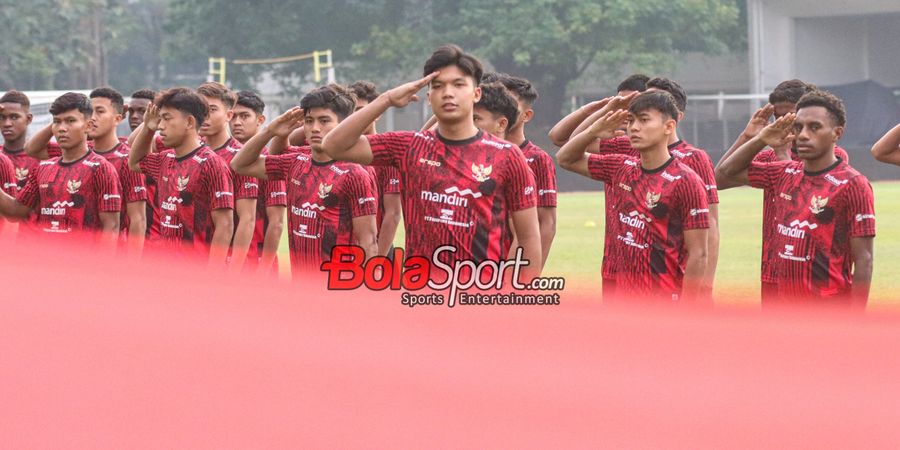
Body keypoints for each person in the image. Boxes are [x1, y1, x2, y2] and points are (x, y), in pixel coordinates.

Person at [320, 45, 542, 283]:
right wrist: (386, 99)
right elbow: (333, 145)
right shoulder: (408, 146)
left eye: (458, 84)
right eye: (438, 86)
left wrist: (515, 298)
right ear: (429, 97)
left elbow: (529, 239)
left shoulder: (507, 156)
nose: (448, 93)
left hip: (481, 298)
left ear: (476, 93)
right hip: (420, 297)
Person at [715, 90, 874, 306]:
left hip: (830, 309)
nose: (804, 135)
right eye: (798, 127)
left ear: (837, 133)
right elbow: (724, 173)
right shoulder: (782, 173)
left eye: (814, 127)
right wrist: (761, 138)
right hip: (784, 309)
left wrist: (855, 324)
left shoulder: (853, 183)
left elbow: (864, 259)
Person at [557, 91, 710, 302]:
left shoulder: (687, 181)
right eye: (631, 121)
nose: (634, 128)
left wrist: (688, 310)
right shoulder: (620, 167)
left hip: (665, 301)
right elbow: (565, 158)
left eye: (644, 120)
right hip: (624, 300)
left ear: (669, 127)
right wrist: (594, 130)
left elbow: (699, 254)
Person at [231, 85, 378, 276]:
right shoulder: (295, 163)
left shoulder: (355, 174)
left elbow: (368, 240)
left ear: (344, 124)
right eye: (309, 121)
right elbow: (239, 164)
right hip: (301, 286)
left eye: (324, 121)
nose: (315, 128)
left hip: (339, 284)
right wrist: (270, 132)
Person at [128, 88, 235, 266]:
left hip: (197, 271)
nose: (160, 126)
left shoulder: (211, 164)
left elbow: (225, 225)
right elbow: (135, 162)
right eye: (160, 119)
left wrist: (213, 275)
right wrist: (147, 127)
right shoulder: (165, 159)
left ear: (189, 122)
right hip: (167, 269)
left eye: (167, 118)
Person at [0, 93, 121, 240]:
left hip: (83, 261)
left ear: (88, 126)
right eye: (57, 121)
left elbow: (112, 227)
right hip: (46, 260)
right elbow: (15, 212)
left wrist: (99, 264)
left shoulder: (101, 168)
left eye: (70, 121)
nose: (62, 128)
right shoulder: (43, 168)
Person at [196, 82, 257, 271]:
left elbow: (247, 219)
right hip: (189, 259)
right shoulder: (189, 150)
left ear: (228, 115)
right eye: (200, 109)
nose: (205, 116)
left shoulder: (240, 156)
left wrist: (234, 268)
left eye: (212, 109)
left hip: (223, 264)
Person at [229, 90, 287, 273]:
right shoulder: (218, 156)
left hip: (258, 260)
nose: (237, 122)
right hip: (225, 258)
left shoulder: (269, 161)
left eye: (245, 116)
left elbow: (276, 221)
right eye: (234, 116)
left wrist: (264, 268)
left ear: (260, 120)